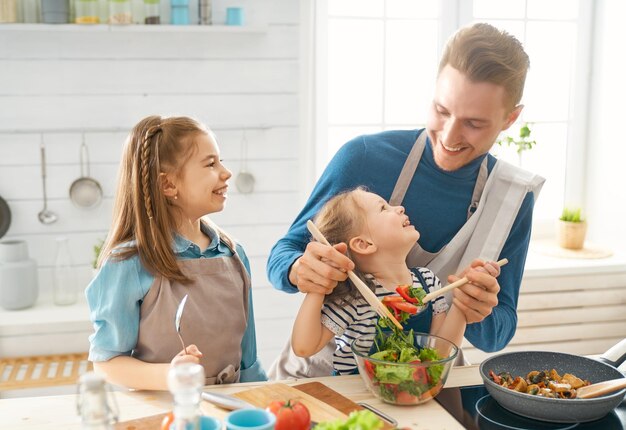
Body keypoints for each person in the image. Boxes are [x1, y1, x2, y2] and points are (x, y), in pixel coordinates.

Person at [267, 22, 545, 379]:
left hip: (422, 383)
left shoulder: (512, 199)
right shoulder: (364, 157)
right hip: (323, 381)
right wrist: (299, 269)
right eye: (442, 111)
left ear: (511, 118)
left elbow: (498, 334)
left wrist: (476, 307)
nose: (449, 135)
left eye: (474, 123)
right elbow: (283, 253)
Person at [86, 115, 267, 390]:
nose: (226, 172)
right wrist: (170, 376)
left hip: (232, 408)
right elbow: (107, 361)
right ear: (168, 185)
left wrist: (266, 405)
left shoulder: (234, 255)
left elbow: (249, 362)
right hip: (164, 410)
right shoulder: (130, 262)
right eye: (210, 163)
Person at [291, 188, 501, 375]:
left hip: (412, 392)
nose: (399, 208)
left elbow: (440, 352)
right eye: (383, 208)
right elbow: (303, 347)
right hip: (360, 398)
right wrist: (318, 287)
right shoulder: (354, 298)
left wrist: (463, 303)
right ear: (364, 244)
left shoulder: (427, 281)